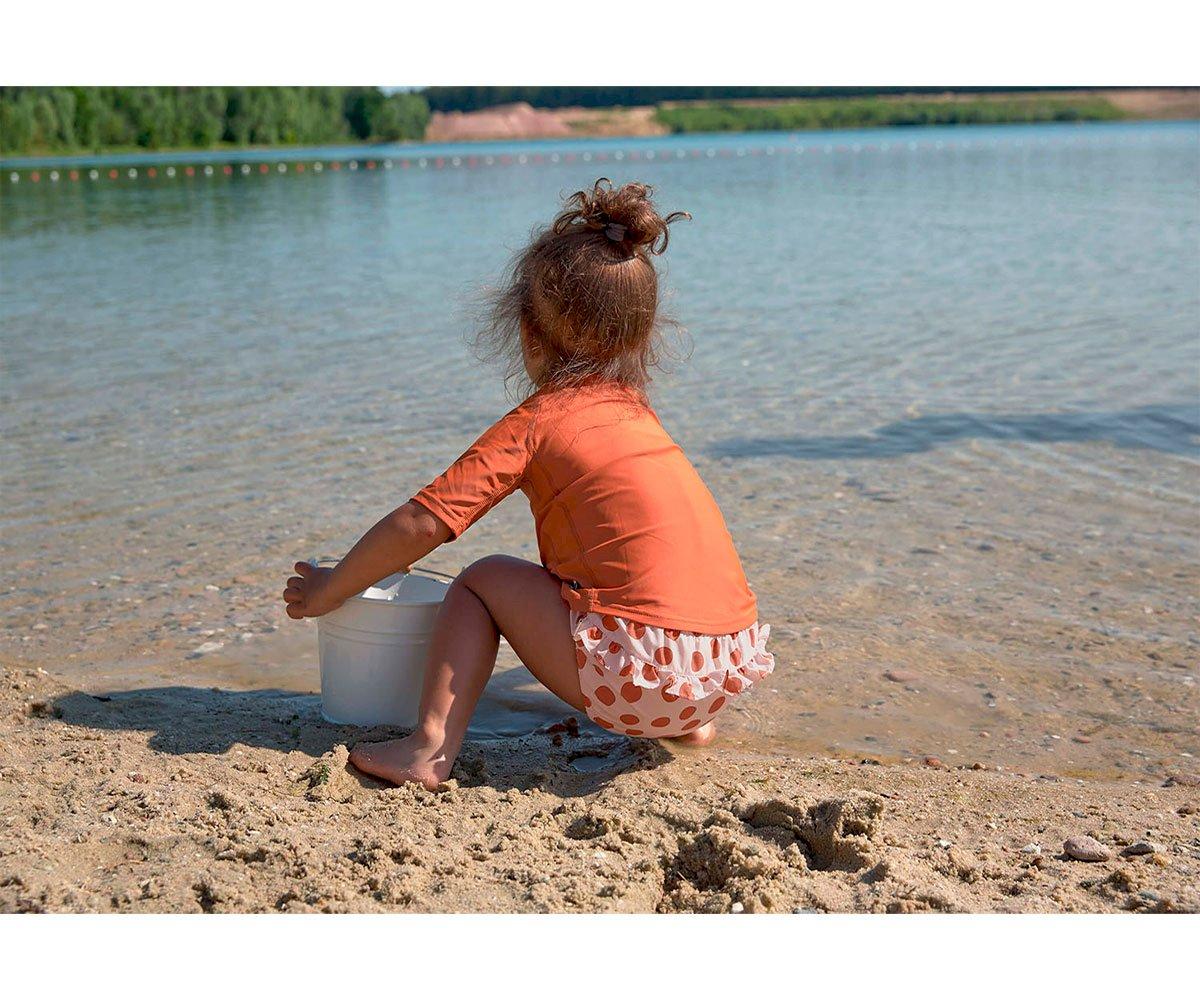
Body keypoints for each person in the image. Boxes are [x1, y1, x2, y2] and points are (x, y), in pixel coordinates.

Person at [282, 179, 773, 788]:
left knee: (481, 580)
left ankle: (428, 747)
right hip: (718, 672)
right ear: (639, 336)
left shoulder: (539, 423)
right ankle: (685, 724)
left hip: (637, 682)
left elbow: (423, 522)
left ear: (527, 333)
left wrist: (331, 590)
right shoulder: (641, 421)